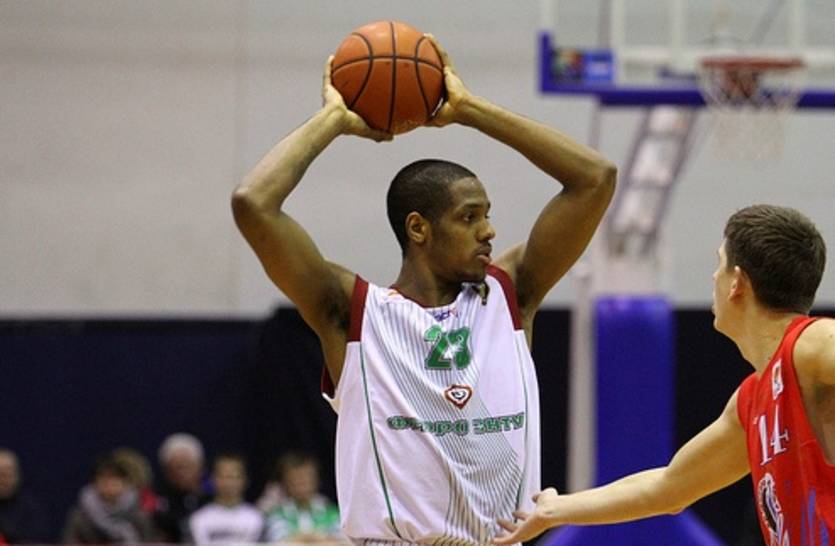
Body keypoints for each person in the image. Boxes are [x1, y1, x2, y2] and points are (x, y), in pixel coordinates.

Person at [232, 35, 616, 545]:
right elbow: (253, 203)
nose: (489, 231)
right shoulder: (355, 313)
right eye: (469, 217)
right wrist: (335, 119)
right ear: (418, 228)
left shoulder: (511, 294)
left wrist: (469, 109)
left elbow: (595, 177)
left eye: (488, 215)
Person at [495, 204, 834, 545]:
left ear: (737, 283)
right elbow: (668, 488)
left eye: (719, 264)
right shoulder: (753, 400)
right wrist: (556, 509)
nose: (713, 277)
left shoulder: (810, 345)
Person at [62, 452, 156, 543]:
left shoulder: (139, 516)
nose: (109, 483)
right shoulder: (80, 518)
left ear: (126, 483)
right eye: (103, 477)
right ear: (94, 482)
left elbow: (150, 542)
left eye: (115, 478)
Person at [263, 452, 341, 542]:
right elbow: (280, 541)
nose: (302, 483)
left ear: (316, 479)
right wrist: (318, 538)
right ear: (285, 482)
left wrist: (301, 538)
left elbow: (339, 542)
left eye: (306, 477)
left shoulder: (332, 513)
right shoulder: (276, 514)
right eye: (295, 478)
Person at [189, 453, 263, 545]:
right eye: (223, 476)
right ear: (213, 479)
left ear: (244, 480)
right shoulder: (198, 519)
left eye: (234, 476)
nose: (228, 482)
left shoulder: (257, 519)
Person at [153, 433, 210, 541]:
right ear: (167, 469)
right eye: (178, 467)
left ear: (200, 468)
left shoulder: (211, 499)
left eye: (188, 466)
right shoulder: (155, 499)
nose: (183, 473)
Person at [0, 448, 49, 544]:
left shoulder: (31, 508)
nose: (3, 480)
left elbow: (38, 538)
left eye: (7, 474)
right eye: (0, 474)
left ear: (17, 476)